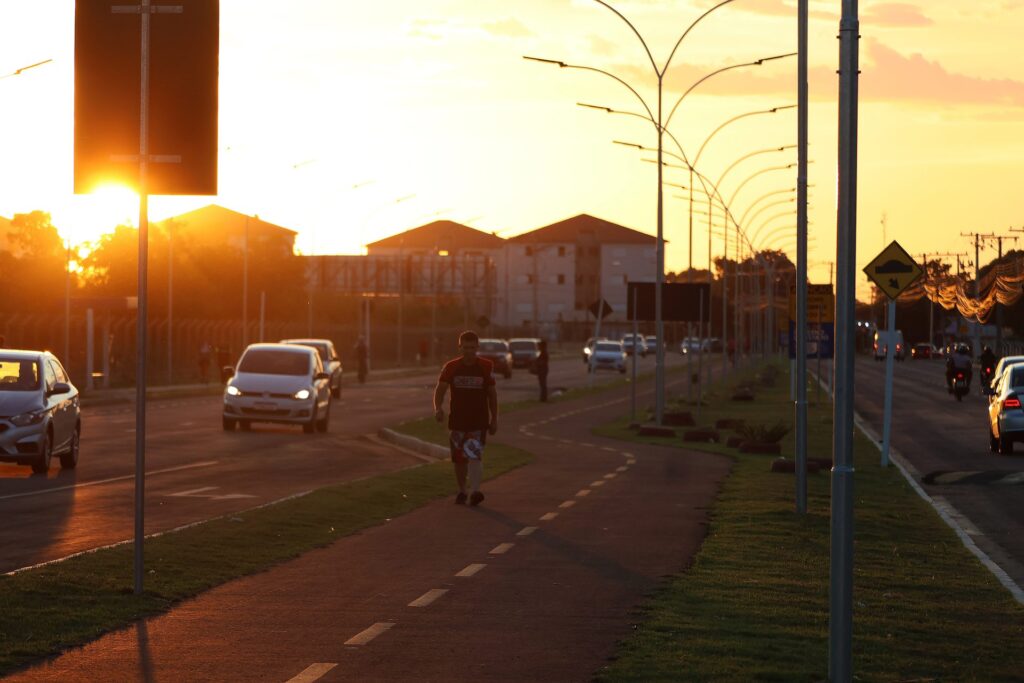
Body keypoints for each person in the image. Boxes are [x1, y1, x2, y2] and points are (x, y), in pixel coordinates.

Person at [433, 330, 498, 506]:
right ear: (460, 347)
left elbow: (492, 395)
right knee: (459, 459)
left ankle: (476, 491)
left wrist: (494, 419)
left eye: (472, 347)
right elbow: (440, 390)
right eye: (465, 347)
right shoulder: (451, 367)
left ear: (477, 347)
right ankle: (462, 490)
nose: (469, 351)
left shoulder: (486, 366)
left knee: (474, 455)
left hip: (478, 420)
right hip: (457, 421)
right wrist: (438, 408)